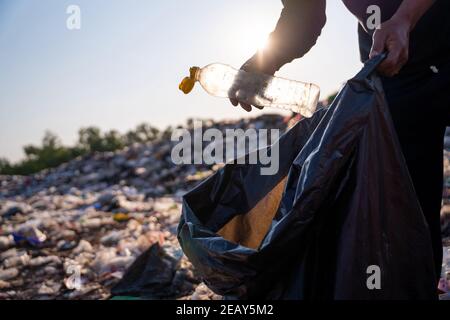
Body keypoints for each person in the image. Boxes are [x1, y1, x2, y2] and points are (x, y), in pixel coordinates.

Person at [230, 0, 450, 284]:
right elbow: (303, 15)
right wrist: (264, 61)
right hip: (395, 67)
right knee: (410, 203)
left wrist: (404, 17)